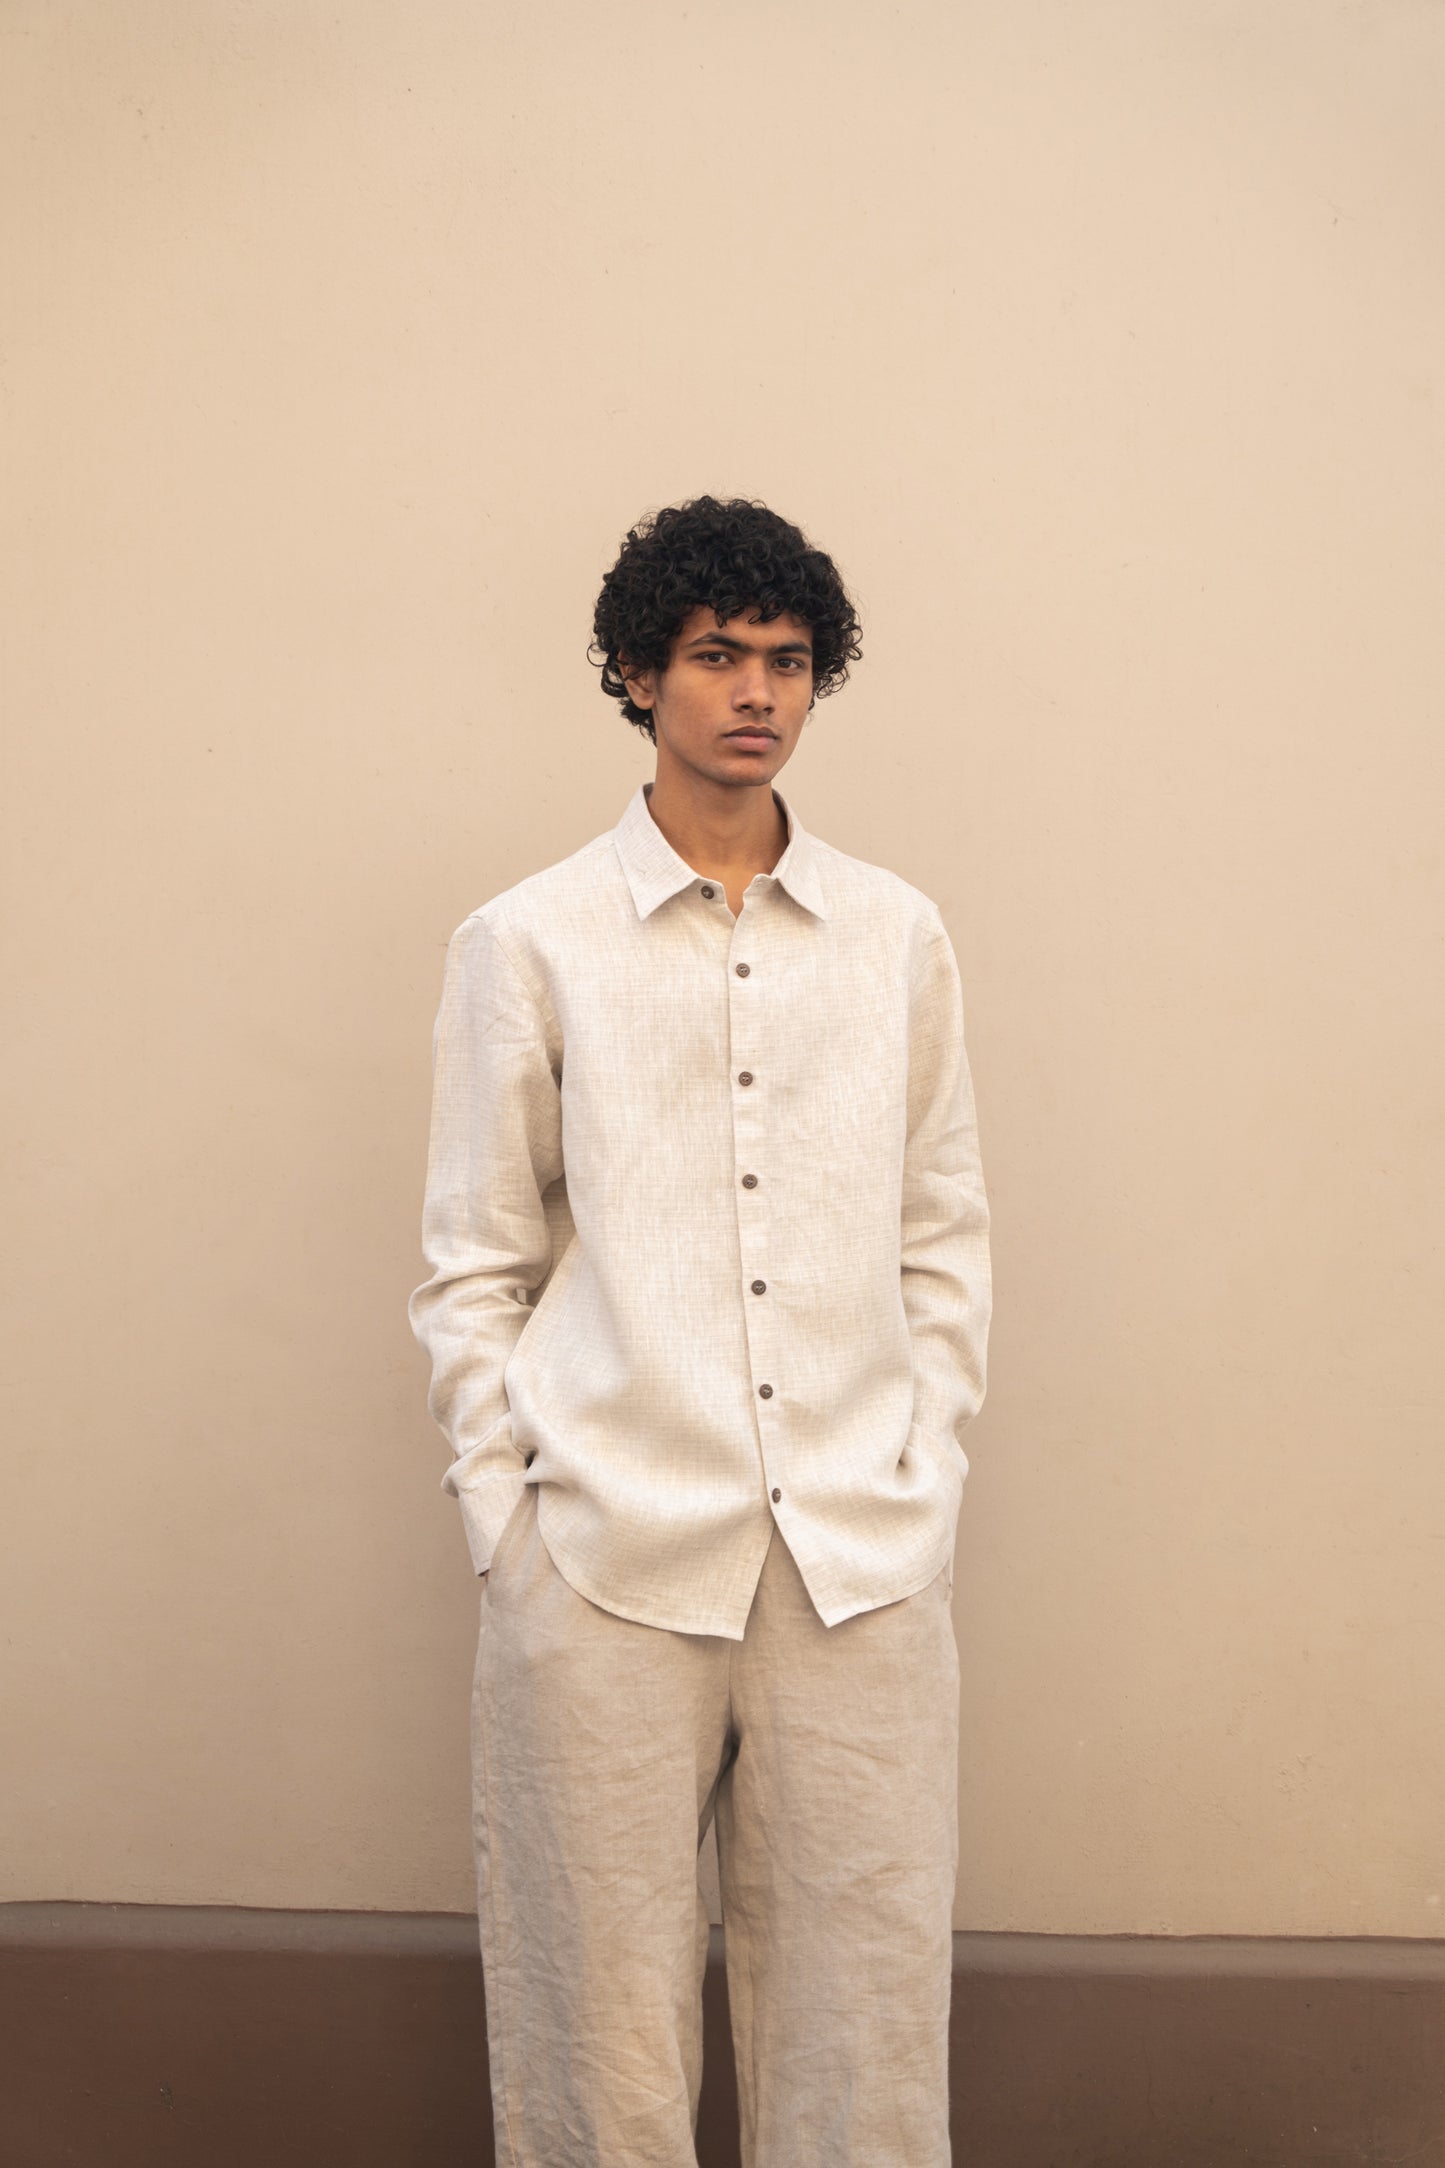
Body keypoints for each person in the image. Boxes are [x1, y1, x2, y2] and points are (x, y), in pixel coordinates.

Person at [408, 495, 991, 2168]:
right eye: (716, 656)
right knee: (594, 2021)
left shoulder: (894, 936)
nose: (755, 691)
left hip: (857, 1559)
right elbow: (474, 1254)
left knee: (863, 2029)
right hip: (599, 1556)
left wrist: (924, 1453)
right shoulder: (526, 941)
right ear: (635, 674)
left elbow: (940, 1220)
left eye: (787, 660)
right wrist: (501, 1520)